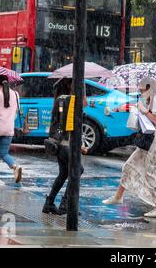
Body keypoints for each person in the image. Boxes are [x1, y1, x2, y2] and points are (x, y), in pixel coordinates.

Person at [102, 78, 156, 218]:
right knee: (129, 165)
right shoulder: (145, 100)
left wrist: (143, 111)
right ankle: (118, 197)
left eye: (142, 88)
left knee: (151, 173)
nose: (139, 91)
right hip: (147, 140)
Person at [42, 78, 86, 215]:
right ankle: (65, 204)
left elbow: (63, 123)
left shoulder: (60, 99)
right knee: (77, 170)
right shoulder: (67, 100)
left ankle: (49, 203)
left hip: (59, 143)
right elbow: (69, 124)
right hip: (65, 144)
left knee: (64, 174)